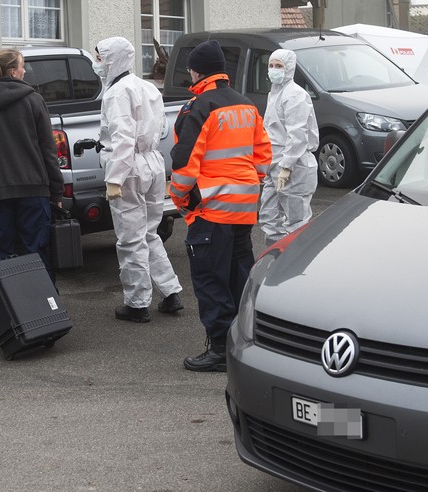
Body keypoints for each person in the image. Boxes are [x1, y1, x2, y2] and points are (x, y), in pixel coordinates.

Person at [169, 41, 271, 372]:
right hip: (243, 208)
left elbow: (184, 162)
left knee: (211, 279)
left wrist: (182, 200)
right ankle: (247, 340)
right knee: (239, 277)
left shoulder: (198, 107)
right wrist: (251, 184)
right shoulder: (246, 105)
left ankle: (218, 349)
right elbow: (263, 154)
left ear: (197, 71)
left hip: (212, 210)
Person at [93, 37, 183, 324]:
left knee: (130, 238)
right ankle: (170, 292)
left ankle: (137, 303)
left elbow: (122, 138)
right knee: (149, 233)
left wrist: (114, 178)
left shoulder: (117, 93)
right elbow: (162, 126)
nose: (97, 64)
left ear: (110, 59)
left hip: (129, 167)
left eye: (99, 58)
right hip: (153, 163)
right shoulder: (146, 87)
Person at [0, 49, 64, 281]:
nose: (25, 70)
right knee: (37, 255)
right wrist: (57, 190)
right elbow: (48, 151)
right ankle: (45, 309)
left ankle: (10, 313)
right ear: (13, 72)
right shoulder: (34, 101)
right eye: (22, 66)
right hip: (33, 191)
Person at [259, 49, 319, 246]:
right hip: (274, 163)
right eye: (271, 65)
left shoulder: (295, 95)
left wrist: (287, 166)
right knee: (269, 218)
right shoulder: (275, 94)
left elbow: (297, 133)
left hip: (295, 165)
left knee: (296, 223)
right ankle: (273, 262)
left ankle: (295, 265)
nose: (274, 70)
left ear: (289, 68)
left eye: (279, 66)